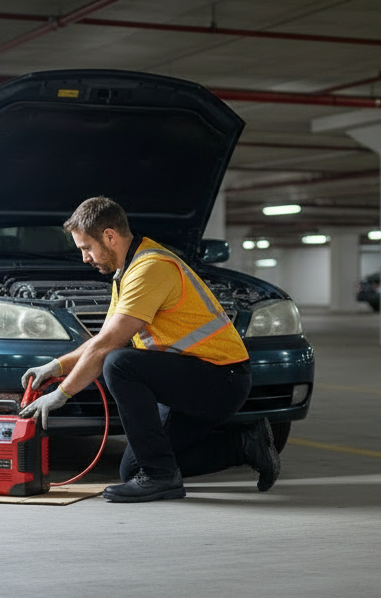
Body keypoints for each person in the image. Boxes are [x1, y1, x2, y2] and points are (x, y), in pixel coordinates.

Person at [18, 196, 280, 503]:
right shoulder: (127, 271)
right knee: (133, 469)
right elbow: (101, 338)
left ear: (110, 236)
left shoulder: (150, 268)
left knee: (118, 363)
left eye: (86, 248)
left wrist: (62, 395)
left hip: (221, 378)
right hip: (188, 378)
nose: (85, 258)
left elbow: (108, 345)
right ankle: (245, 444)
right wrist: (55, 367)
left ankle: (161, 479)